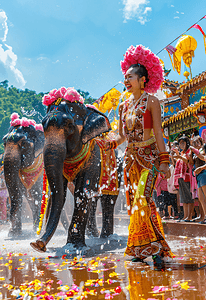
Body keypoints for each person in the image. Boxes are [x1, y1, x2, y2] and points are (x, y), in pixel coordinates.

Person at [107, 45, 172, 263]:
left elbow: (158, 132)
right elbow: (121, 136)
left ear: (143, 79)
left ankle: (152, 248)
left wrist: (165, 161)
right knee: (136, 203)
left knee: (144, 198)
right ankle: (144, 248)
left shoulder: (152, 101)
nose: (126, 81)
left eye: (131, 77)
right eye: (125, 77)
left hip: (149, 157)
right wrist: (107, 145)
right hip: (130, 161)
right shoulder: (123, 106)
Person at [173, 136, 194, 221]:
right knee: (183, 198)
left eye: (183, 143)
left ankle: (189, 216)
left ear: (187, 143)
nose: (181, 145)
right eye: (180, 143)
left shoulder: (189, 151)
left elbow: (189, 162)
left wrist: (179, 157)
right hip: (181, 177)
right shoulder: (182, 153)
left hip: (188, 177)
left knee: (189, 197)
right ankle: (185, 216)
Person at [189, 138, 206, 223]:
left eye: (197, 142)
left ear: (201, 142)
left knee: (205, 196)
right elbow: (191, 162)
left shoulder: (203, 150)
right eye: (194, 142)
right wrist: (191, 152)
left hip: (203, 174)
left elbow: (202, 157)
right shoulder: (194, 153)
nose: (196, 143)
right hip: (198, 176)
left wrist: (193, 148)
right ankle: (205, 217)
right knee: (201, 198)